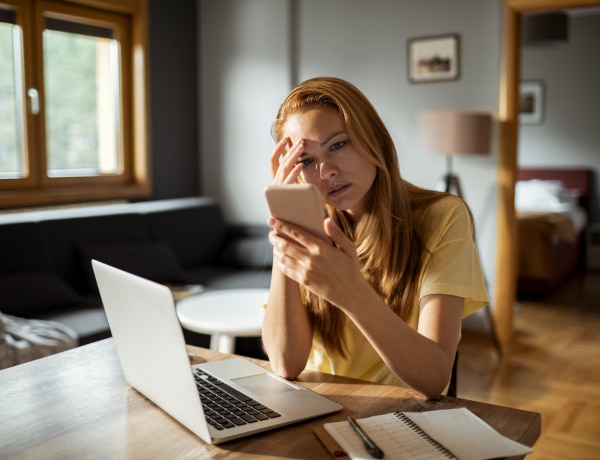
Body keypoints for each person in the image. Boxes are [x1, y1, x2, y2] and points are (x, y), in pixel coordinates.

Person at [262, 76, 488, 398]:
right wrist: (285, 225)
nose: (325, 171)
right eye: (306, 161)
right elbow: (285, 363)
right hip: (316, 404)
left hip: (390, 414)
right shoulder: (312, 224)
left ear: (375, 140)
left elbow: (436, 377)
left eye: (338, 145)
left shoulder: (443, 217)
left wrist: (351, 292)